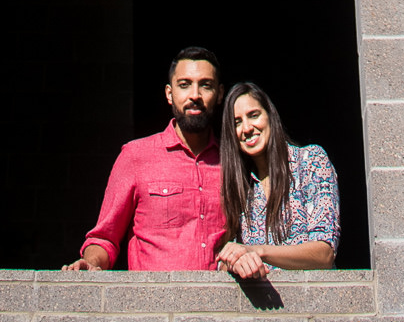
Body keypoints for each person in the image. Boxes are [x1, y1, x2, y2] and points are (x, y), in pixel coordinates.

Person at [63, 46, 226, 271]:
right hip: (153, 303)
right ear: (169, 93)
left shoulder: (234, 161)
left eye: (205, 85)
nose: (195, 95)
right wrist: (90, 263)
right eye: (184, 84)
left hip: (219, 303)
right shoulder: (136, 156)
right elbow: (104, 238)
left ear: (220, 94)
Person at [215, 80, 339, 281]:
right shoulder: (240, 187)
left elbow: (324, 253)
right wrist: (234, 262)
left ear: (270, 116)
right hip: (261, 309)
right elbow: (223, 258)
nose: (246, 128)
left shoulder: (311, 162)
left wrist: (258, 252)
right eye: (237, 122)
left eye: (253, 115)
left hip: (316, 304)